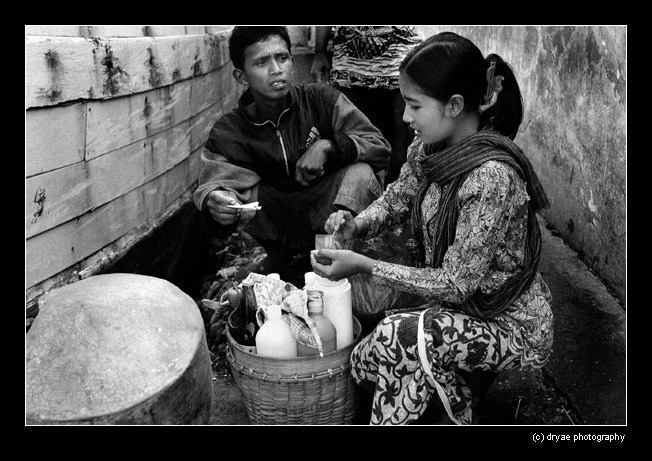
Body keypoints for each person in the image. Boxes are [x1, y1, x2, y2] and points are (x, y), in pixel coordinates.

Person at [310, 31, 554, 425]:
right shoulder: (429, 150)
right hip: (458, 308)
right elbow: (398, 198)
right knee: (367, 361)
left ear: (455, 105)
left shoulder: (490, 176)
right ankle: (455, 403)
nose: (406, 117)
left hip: (506, 320)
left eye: (414, 105)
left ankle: (446, 403)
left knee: (400, 337)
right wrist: (356, 224)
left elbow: (456, 283)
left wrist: (364, 265)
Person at [193, 27, 391, 277]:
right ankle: (279, 257)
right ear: (241, 76)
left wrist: (329, 146)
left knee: (361, 172)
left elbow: (379, 147)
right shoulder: (229, 131)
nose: (276, 69)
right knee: (232, 193)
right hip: (277, 220)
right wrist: (217, 202)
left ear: (292, 62)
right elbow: (211, 183)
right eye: (262, 62)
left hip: (326, 214)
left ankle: (331, 257)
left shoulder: (322, 100)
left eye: (282, 58)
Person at [311, 26, 423, 186]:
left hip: (399, 66)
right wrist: (319, 52)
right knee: (352, 154)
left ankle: (398, 207)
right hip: (350, 70)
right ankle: (356, 209)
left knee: (402, 159)